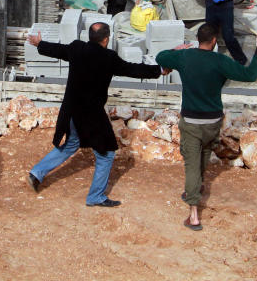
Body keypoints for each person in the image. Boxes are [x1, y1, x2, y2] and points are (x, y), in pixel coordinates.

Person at [26, 22, 161, 207]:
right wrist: (159, 70)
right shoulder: (109, 57)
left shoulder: (76, 48)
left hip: (72, 110)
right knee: (106, 155)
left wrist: (39, 43)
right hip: (91, 114)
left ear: (90, 36)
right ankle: (95, 197)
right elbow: (133, 69)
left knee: (71, 144)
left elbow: (58, 50)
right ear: (106, 39)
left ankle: (37, 172)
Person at [156, 24, 257, 230]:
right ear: (214, 41)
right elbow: (250, 75)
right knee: (204, 154)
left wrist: (177, 49)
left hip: (191, 120)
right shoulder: (221, 61)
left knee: (191, 163)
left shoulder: (185, 57)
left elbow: (160, 57)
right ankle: (197, 186)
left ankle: (193, 214)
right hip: (213, 120)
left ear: (197, 39)